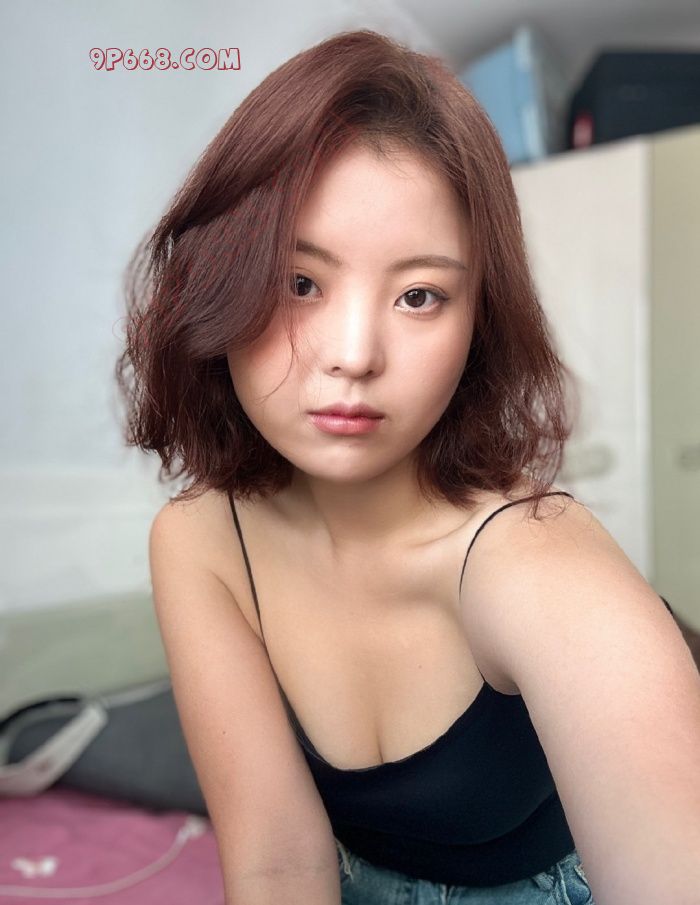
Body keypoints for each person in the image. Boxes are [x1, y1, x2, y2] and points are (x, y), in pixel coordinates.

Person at [115, 28, 700, 905]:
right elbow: (278, 864)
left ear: (478, 323)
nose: (354, 354)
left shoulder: (543, 570)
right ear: (218, 279)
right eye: (300, 282)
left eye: (420, 295)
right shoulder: (201, 540)